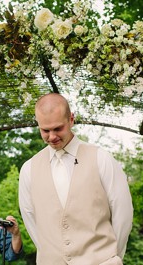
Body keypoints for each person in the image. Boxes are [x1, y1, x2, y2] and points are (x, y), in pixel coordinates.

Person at [19, 93, 133, 264]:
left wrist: (112, 256)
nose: (52, 137)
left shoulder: (101, 159)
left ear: (71, 119)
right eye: (45, 130)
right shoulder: (28, 169)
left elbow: (122, 213)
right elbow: (31, 221)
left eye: (58, 128)